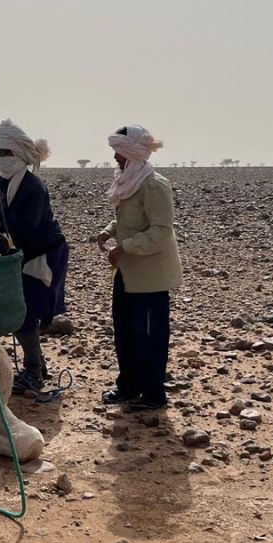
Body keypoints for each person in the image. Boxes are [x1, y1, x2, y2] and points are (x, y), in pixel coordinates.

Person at [92, 125, 181, 411]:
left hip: (149, 277)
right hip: (127, 273)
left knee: (149, 336)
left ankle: (153, 394)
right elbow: (127, 221)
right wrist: (108, 231)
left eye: (119, 152)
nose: (115, 158)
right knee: (125, 332)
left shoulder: (154, 184)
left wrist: (124, 247)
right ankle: (128, 386)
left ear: (131, 153)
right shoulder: (129, 181)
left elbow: (160, 232)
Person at [0, 118, 69, 394]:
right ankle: (37, 366)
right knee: (20, 309)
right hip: (22, 255)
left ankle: (34, 371)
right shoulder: (0, 183)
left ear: (17, 153)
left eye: (4, 152)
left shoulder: (33, 186)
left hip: (43, 254)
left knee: (26, 312)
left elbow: (27, 229)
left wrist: (3, 212)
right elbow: (4, 226)